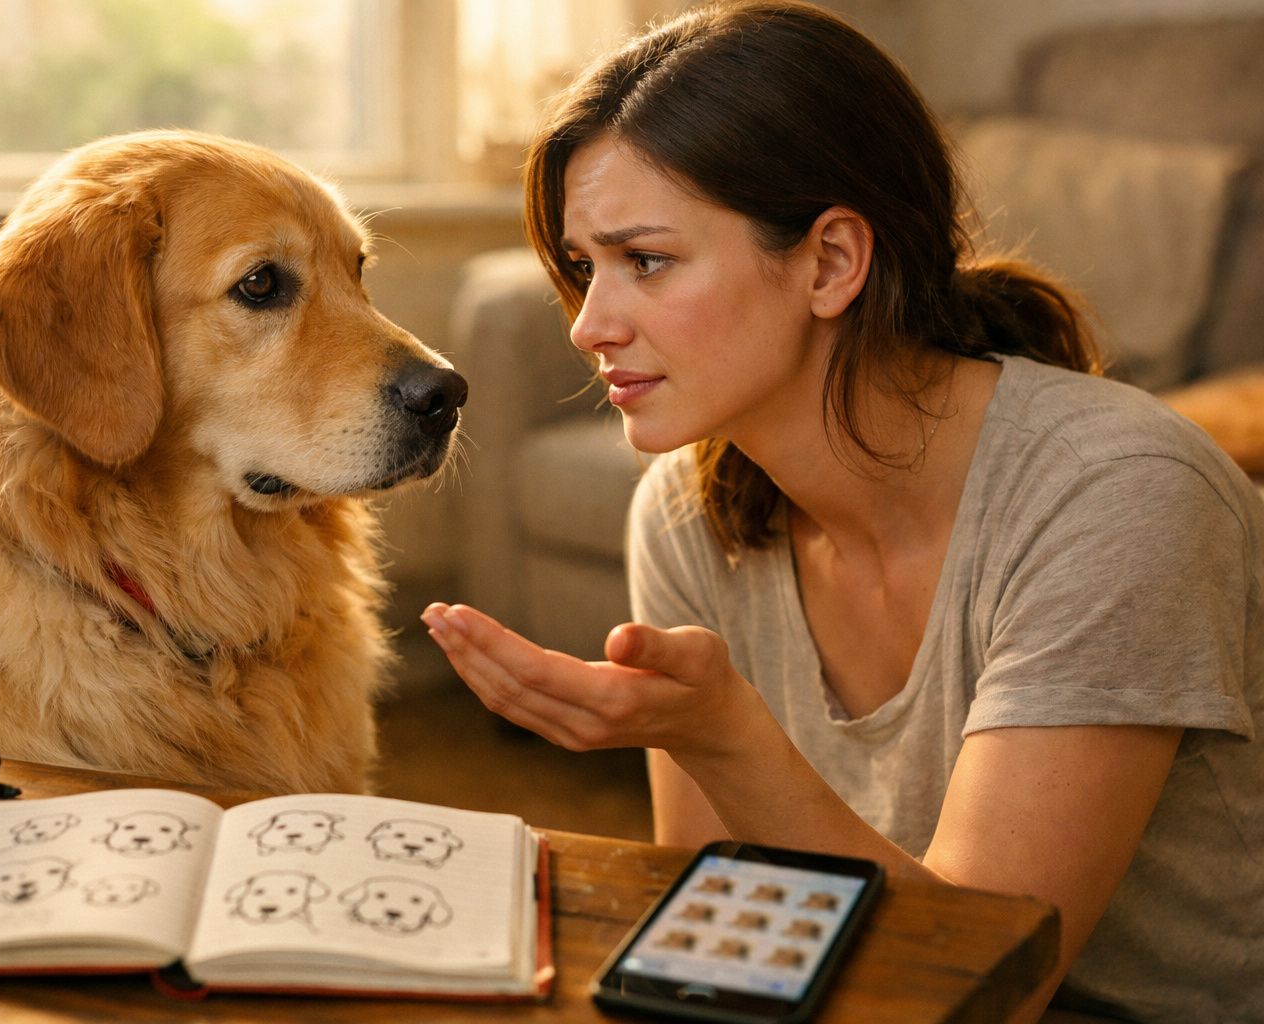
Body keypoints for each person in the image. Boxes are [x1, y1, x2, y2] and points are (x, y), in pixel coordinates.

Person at [420, 3, 1264, 1022]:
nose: (589, 325)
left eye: (646, 260)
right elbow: (724, 947)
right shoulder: (687, 511)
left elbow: (995, 981)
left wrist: (725, 738)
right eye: (584, 267)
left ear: (830, 263)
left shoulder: (1115, 496)